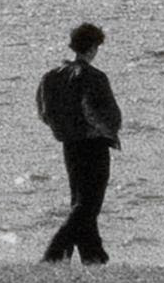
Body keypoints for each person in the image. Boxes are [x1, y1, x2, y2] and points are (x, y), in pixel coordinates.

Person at [36, 20, 122, 265]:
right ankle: (54, 253)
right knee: (89, 204)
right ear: (93, 48)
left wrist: (62, 130)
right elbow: (102, 114)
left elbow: (43, 112)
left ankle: (93, 255)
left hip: (69, 144)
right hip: (94, 144)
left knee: (80, 201)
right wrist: (110, 132)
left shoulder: (51, 77)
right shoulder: (94, 77)